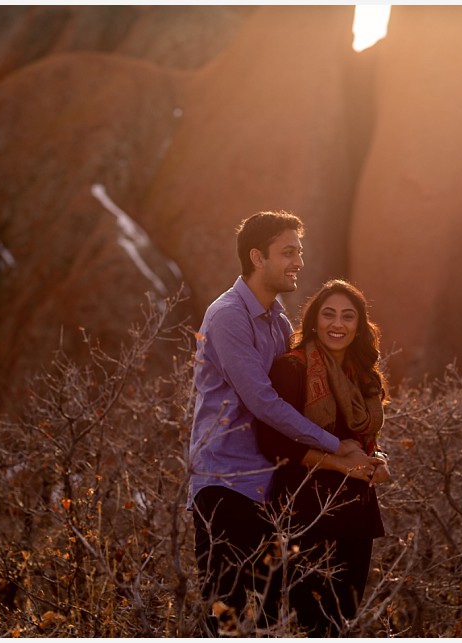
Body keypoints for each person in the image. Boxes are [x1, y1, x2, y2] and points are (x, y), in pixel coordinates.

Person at [187, 212, 380, 635]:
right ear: (257, 257)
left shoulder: (278, 321)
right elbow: (264, 403)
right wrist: (336, 448)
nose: (299, 262)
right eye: (288, 252)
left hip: (270, 489)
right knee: (228, 616)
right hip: (226, 483)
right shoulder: (228, 316)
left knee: (268, 619)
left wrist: (358, 449)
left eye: (300, 252)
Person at [255, 279, 391, 636]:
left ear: (359, 326)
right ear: (314, 321)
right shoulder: (292, 368)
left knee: (344, 621)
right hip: (307, 511)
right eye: (328, 314)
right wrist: (339, 463)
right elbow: (272, 442)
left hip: (357, 511)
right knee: (313, 622)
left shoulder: (363, 375)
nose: (338, 324)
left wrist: (377, 460)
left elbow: (360, 441)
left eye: (348, 316)